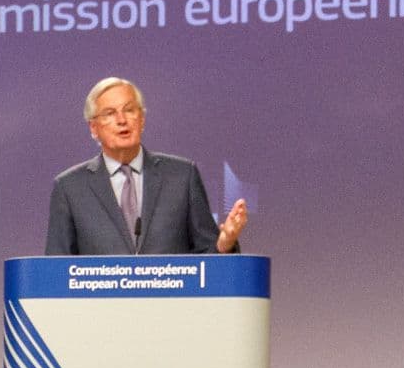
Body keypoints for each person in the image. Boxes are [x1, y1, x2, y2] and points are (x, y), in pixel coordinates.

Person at [44, 77, 250, 256]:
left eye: (129, 110)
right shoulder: (70, 188)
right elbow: (55, 269)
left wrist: (225, 244)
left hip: (172, 301)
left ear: (141, 119)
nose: (122, 120)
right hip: (102, 302)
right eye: (109, 113)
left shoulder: (182, 176)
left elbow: (207, 256)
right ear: (93, 128)